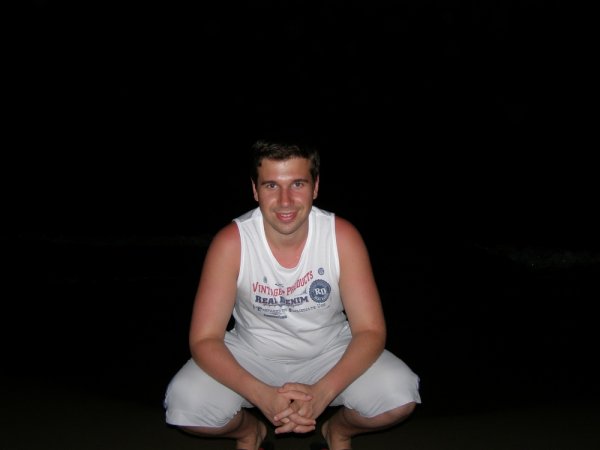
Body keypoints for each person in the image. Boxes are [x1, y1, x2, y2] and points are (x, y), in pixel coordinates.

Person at [163, 137, 421, 450]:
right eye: (271, 185)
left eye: (297, 184)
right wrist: (261, 395)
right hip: (253, 354)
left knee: (399, 395)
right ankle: (249, 433)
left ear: (315, 187)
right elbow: (204, 339)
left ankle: (338, 432)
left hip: (328, 352)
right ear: (255, 190)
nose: (285, 201)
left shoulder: (341, 237)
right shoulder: (231, 243)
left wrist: (323, 393)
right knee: (186, 406)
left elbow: (370, 330)